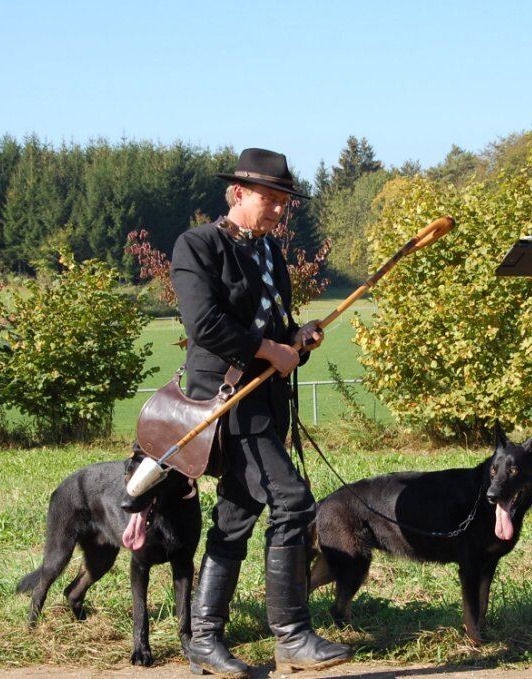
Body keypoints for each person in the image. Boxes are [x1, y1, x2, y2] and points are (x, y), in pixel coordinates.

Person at [170, 148, 352, 677]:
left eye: (282, 201)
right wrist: (268, 349)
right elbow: (205, 325)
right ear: (236, 194)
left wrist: (296, 339)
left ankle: (203, 638)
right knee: (292, 501)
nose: (276, 210)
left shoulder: (271, 252)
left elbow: (273, 326)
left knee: (237, 512)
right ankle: (291, 634)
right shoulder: (197, 245)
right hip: (225, 402)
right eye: (268, 199)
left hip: (265, 402)